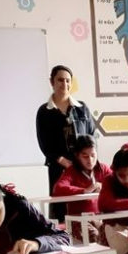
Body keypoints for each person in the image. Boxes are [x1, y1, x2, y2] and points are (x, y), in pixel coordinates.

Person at [36, 65, 96, 220]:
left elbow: (92, 135)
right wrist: (63, 161)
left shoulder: (82, 108)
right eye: (60, 80)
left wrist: (86, 160)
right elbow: (44, 143)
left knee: (85, 206)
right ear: (52, 82)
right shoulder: (44, 111)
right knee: (61, 209)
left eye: (68, 80)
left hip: (83, 166)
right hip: (58, 168)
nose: (65, 84)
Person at [52, 134, 112, 242]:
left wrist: (104, 186)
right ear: (77, 156)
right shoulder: (72, 171)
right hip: (77, 219)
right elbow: (58, 188)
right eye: (85, 156)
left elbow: (117, 183)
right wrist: (84, 190)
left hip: (100, 217)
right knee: (94, 236)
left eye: (93, 155)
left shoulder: (103, 168)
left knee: (112, 235)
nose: (90, 160)